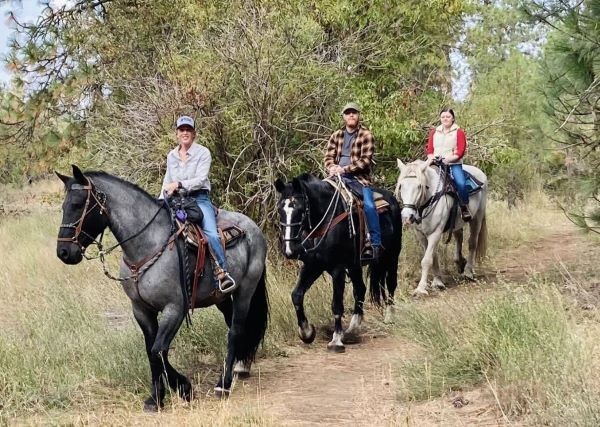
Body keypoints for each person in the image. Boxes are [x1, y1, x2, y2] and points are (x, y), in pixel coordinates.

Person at [160, 115, 236, 293]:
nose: (185, 133)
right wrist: (160, 200)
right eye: (182, 130)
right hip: (177, 200)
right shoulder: (171, 156)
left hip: (199, 199)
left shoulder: (203, 152)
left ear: (194, 134)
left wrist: (179, 184)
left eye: (189, 130)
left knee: (211, 234)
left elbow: (201, 179)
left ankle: (222, 272)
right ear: (177, 133)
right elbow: (166, 182)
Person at [324, 102, 382, 260]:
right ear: (343, 116)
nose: (351, 115)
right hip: (336, 177)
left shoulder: (366, 135)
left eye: (354, 112)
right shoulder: (336, 135)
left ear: (358, 116)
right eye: (348, 113)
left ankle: (373, 242)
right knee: (319, 197)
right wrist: (332, 167)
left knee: (369, 206)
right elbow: (328, 156)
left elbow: (365, 161)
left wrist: (345, 169)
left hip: (358, 179)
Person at [426, 108, 472, 221]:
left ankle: (464, 207)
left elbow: (460, 151)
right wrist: (431, 158)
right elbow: (430, 150)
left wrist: (448, 159)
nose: (445, 119)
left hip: (453, 163)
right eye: (443, 117)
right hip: (435, 163)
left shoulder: (459, 132)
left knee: (461, 183)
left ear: (453, 118)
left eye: (448, 117)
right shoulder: (434, 132)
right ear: (440, 118)